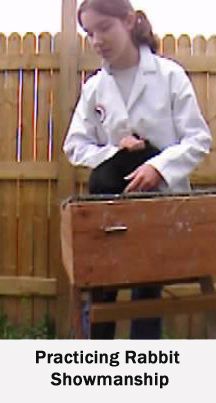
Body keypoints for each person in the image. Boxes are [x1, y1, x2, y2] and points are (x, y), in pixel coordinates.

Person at [63, 0, 212, 339]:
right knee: (102, 293)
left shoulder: (169, 75)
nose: (97, 39)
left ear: (129, 21)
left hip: (158, 206)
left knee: (147, 295)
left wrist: (159, 168)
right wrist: (116, 150)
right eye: (89, 33)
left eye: (104, 28)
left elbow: (198, 139)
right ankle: (96, 377)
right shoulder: (94, 88)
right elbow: (75, 147)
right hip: (108, 210)